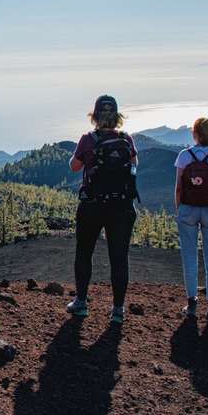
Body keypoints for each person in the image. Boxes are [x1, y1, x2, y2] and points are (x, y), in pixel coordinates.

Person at [66, 95, 138, 323]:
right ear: (117, 116)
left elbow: (74, 166)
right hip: (121, 206)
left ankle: (81, 303)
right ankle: (118, 310)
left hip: (92, 205)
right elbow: (134, 165)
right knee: (119, 258)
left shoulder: (88, 140)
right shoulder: (126, 139)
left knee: (84, 253)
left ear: (95, 116)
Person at [174, 117, 208, 324]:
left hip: (187, 210)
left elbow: (178, 187)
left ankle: (191, 304)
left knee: (189, 257)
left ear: (195, 134)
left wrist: (179, 210)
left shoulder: (184, 155)